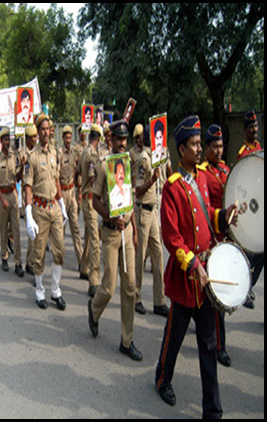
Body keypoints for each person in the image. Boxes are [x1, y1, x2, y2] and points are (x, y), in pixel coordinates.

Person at [154, 115, 238, 418]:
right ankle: (162, 379)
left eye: (200, 143)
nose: (200, 148)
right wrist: (193, 267)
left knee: (208, 346)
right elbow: (172, 238)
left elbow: (208, 215)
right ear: (181, 149)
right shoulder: (173, 188)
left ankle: (212, 411)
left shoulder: (202, 177)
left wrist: (224, 215)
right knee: (173, 339)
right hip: (185, 279)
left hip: (208, 277)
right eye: (194, 144)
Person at [88, 119, 142, 361]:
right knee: (109, 287)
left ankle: (126, 340)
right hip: (110, 232)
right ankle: (94, 310)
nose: (122, 143)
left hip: (128, 232)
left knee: (130, 287)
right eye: (118, 138)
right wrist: (110, 216)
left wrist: (134, 229)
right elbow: (94, 200)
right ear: (110, 139)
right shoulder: (104, 166)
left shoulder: (128, 165)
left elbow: (131, 199)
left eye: (125, 139)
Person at [24, 113, 68, 310]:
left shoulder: (55, 153)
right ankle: (40, 290)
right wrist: (28, 214)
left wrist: (62, 203)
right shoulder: (31, 158)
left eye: (48, 129)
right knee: (39, 254)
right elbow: (27, 187)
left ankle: (56, 290)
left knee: (59, 250)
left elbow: (56, 179)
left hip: (54, 208)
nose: (45, 133)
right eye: (41, 129)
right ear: (38, 132)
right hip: (39, 209)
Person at [201, 124, 232, 367]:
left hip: (226, 237)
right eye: (214, 146)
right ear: (206, 148)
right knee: (215, 295)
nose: (219, 150)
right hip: (210, 238)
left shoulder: (225, 170)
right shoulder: (202, 173)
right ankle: (219, 346)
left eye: (221, 146)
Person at [129, 124, 168, 317]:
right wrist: (152, 181)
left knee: (158, 254)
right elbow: (137, 190)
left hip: (154, 211)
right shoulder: (144, 159)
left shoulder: (158, 156)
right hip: (143, 212)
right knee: (140, 256)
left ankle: (159, 300)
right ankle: (136, 296)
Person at [236, 110, 263, 309]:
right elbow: (240, 181)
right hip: (248, 207)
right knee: (248, 252)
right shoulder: (242, 153)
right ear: (245, 129)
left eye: (256, 126)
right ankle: (244, 289)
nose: (254, 129)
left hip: (259, 206)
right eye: (250, 127)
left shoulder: (259, 148)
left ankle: (249, 285)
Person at [0, 127, 24, 276]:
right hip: (3, 196)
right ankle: (4, 256)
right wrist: (1, 199)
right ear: (1, 141)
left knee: (16, 229)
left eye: (9, 140)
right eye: (5, 140)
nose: (8, 142)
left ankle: (18, 262)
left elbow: (17, 178)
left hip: (13, 194)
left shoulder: (14, 157)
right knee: (3, 228)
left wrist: (22, 166)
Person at [78, 124, 102, 296]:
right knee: (94, 240)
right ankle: (94, 280)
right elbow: (93, 177)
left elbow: (78, 172)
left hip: (85, 198)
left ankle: (84, 266)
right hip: (90, 199)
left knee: (89, 235)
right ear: (98, 139)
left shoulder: (84, 152)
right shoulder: (92, 154)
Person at [58, 125, 83, 269]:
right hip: (62, 193)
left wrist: (79, 191)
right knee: (61, 229)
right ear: (63, 138)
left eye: (70, 137)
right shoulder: (59, 154)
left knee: (75, 227)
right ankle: (59, 259)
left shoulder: (74, 152)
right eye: (66, 138)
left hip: (72, 191)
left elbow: (77, 171)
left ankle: (81, 261)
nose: (68, 140)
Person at [21, 125, 39, 275]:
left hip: (36, 193)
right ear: (27, 138)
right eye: (32, 137)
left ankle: (30, 260)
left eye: (35, 136)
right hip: (25, 193)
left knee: (34, 229)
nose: (35, 139)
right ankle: (30, 262)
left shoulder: (37, 152)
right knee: (31, 227)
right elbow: (17, 174)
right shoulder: (22, 153)